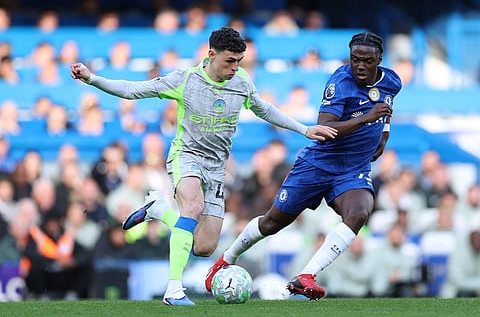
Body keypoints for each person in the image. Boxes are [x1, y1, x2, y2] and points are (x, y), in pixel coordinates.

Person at [70, 26, 336, 305]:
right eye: (229, 61)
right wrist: (91, 79)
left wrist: (303, 129)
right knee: (192, 207)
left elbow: (264, 109)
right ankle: (174, 290)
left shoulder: (242, 82)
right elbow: (134, 90)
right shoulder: (185, 79)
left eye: (239, 61)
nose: (235, 67)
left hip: (217, 168)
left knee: (204, 247)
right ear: (211, 55)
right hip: (186, 156)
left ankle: (158, 209)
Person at [205, 32, 402, 300]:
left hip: (352, 170)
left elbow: (386, 107)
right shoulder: (340, 83)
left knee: (359, 213)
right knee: (272, 222)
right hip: (319, 164)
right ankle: (226, 259)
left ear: (379, 59)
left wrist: (384, 133)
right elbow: (325, 128)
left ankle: (306, 276)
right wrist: (367, 119)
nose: (360, 66)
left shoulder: (392, 80)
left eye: (367, 61)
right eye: (355, 59)